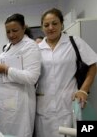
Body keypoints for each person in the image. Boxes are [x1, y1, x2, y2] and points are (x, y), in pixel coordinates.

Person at [35, 8, 97, 137]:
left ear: (61, 24)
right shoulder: (36, 49)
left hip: (68, 106)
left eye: (55, 23)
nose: (50, 27)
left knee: (70, 133)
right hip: (43, 109)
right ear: (42, 27)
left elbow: (93, 65)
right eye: (46, 25)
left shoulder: (74, 42)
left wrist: (84, 90)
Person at [0, 13, 41, 137]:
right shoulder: (8, 46)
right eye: (8, 32)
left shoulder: (30, 46)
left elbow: (32, 77)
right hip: (5, 103)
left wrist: (6, 69)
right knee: (4, 133)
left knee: (19, 133)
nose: (11, 35)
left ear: (24, 28)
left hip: (20, 105)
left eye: (15, 30)